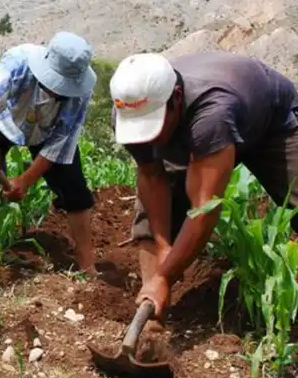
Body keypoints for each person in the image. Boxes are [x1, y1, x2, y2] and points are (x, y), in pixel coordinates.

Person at [110, 51, 298, 324]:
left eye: (152, 124)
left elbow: (204, 208)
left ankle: (287, 300)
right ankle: (152, 320)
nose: (147, 136)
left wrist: (166, 275)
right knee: (150, 221)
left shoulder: (211, 114)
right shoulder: (129, 108)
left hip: (269, 121)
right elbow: (151, 177)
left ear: (175, 97)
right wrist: (164, 249)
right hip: (202, 124)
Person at [0, 32, 98, 270]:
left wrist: (25, 180)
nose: (59, 91)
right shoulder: (18, 62)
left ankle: (88, 269)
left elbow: (60, 142)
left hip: (47, 131)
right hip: (3, 121)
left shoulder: (80, 90)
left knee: (75, 192)